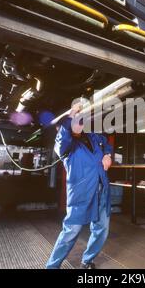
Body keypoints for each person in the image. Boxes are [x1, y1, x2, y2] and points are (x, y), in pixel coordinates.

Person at [46, 99, 113, 269]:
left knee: (101, 229)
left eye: (80, 121)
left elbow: (107, 144)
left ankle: (87, 260)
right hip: (81, 192)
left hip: (102, 189)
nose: (79, 124)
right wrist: (71, 113)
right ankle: (52, 266)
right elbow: (64, 135)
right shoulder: (63, 146)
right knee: (71, 232)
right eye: (74, 122)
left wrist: (108, 155)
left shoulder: (92, 136)